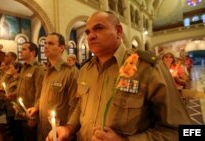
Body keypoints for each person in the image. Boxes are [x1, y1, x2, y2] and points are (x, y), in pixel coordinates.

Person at [46, 11, 192, 141]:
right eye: (87, 32)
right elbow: (80, 105)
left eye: (98, 28)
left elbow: (180, 130)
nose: (91, 36)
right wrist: (69, 128)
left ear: (118, 31)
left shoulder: (146, 67)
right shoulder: (86, 69)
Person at [27, 32, 79, 141]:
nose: (45, 46)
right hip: (43, 128)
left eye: (50, 43)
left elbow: (75, 105)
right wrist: (36, 108)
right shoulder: (46, 69)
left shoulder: (70, 72)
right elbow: (44, 94)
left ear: (61, 48)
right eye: (45, 43)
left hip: (60, 132)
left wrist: (69, 130)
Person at [15, 42, 44, 141]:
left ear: (32, 52)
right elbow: (21, 87)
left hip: (30, 114)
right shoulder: (24, 67)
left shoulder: (38, 68)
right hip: (21, 112)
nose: (21, 51)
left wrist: (34, 117)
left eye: (24, 49)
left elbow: (40, 93)